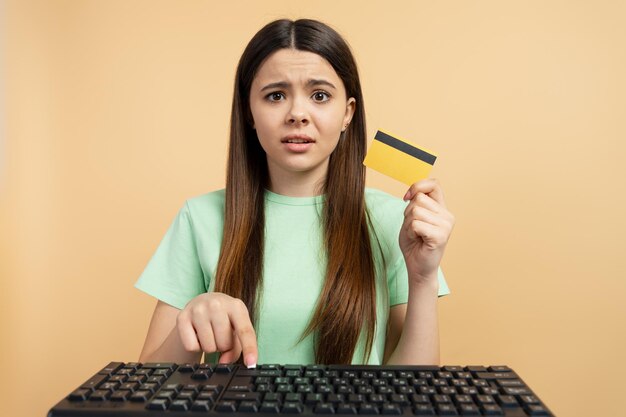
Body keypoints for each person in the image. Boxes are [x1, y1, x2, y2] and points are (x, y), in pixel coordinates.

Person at [135, 18, 455, 368]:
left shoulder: (394, 221)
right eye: (276, 95)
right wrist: (191, 321)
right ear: (249, 112)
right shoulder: (199, 218)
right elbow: (150, 385)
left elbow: (413, 391)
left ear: (347, 113)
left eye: (320, 96)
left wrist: (423, 278)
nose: (297, 114)